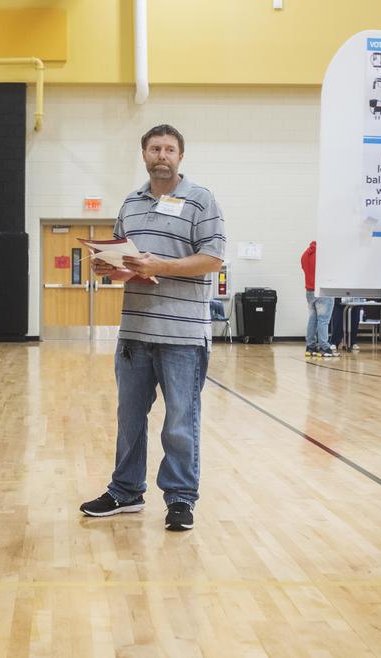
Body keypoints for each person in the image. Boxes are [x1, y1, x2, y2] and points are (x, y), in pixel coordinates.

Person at [79, 124, 225, 532]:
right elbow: (125, 264)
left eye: (169, 149)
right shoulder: (131, 202)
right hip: (135, 334)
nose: (162, 155)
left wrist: (159, 266)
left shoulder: (201, 200)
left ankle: (180, 499)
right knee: (129, 419)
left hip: (182, 335)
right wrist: (107, 267)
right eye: (154, 148)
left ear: (181, 156)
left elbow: (213, 259)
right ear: (144, 154)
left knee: (180, 421)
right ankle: (125, 491)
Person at [300, 241, 336, 357]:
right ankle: (325, 347)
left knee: (312, 319)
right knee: (323, 321)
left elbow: (304, 269)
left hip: (310, 291)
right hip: (324, 291)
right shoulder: (324, 256)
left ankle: (310, 347)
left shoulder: (305, 255)